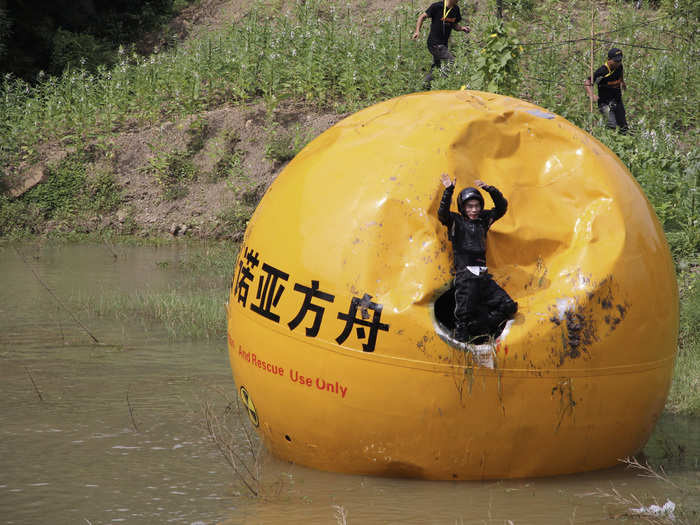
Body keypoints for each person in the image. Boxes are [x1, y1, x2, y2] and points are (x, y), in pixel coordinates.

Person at [437, 173, 517, 343]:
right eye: (469, 206)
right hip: (466, 275)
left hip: (483, 275)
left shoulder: (483, 220)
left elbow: (502, 207)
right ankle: (464, 350)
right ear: (462, 208)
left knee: (508, 306)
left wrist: (490, 190)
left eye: (477, 206)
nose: (474, 210)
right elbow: (442, 213)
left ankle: (482, 327)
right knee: (462, 323)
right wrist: (448, 190)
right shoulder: (455, 221)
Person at [412, 0, 470, 88]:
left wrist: (462, 28)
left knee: (437, 67)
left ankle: (424, 86)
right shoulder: (437, 6)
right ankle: (442, 85)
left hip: (444, 44)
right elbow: (422, 17)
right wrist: (417, 31)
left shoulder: (456, 9)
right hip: (434, 43)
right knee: (451, 62)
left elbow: (454, 25)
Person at [584, 47, 628, 133]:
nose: (618, 63)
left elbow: (620, 73)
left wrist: (622, 82)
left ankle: (625, 143)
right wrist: (591, 94)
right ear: (609, 60)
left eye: (620, 60)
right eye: (616, 61)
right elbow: (587, 81)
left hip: (617, 100)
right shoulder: (602, 71)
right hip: (605, 103)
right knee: (612, 126)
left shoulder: (619, 66)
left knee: (623, 126)